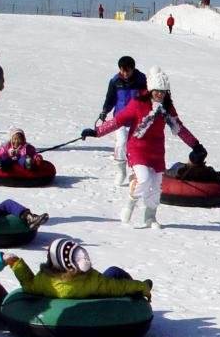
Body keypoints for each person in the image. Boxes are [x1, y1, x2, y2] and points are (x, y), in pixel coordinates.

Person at [82, 66, 206, 229]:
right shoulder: (138, 103)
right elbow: (118, 120)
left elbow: (179, 128)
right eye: (157, 91)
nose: (160, 94)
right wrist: (96, 132)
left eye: (163, 91)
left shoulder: (167, 108)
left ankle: (150, 217)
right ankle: (130, 204)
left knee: (156, 187)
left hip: (156, 151)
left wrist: (195, 145)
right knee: (144, 179)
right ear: (150, 89)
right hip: (137, 148)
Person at [5, 237, 151, 300]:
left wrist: (17, 264)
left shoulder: (44, 281)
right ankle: (136, 296)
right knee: (114, 272)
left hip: (76, 292)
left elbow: (28, 285)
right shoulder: (92, 281)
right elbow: (118, 286)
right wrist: (143, 287)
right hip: (99, 294)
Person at [98, 56, 148, 187]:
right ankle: (121, 171)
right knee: (121, 144)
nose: (125, 74)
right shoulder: (115, 81)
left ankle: (135, 172)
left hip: (137, 120)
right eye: (122, 70)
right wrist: (105, 111)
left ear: (133, 69)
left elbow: (147, 99)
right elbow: (110, 98)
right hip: (120, 118)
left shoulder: (142, 80)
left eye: (128, 71)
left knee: (135, 147)